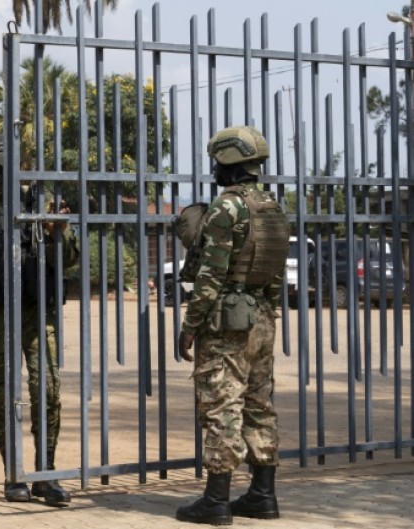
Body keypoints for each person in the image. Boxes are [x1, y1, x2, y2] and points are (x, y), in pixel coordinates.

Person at [0, 133, 79, 506]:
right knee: (3, 398)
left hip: (39, 314)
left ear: (5, 168)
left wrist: (59, 231)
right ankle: (14, 474)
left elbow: (69, 259)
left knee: (49, 392)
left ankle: (45, 473)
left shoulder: (40, 207)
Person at [175, 126, 290, 525]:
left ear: (226, 160)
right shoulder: (272, 207)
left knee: (221, 405)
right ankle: (262, 496)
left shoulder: (228, 207)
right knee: (260, 405)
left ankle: (216, 501)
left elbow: (211, 274)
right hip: (261, 318)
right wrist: (267, 313)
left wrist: (190, 324)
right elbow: (274, 271)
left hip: (226, 321)